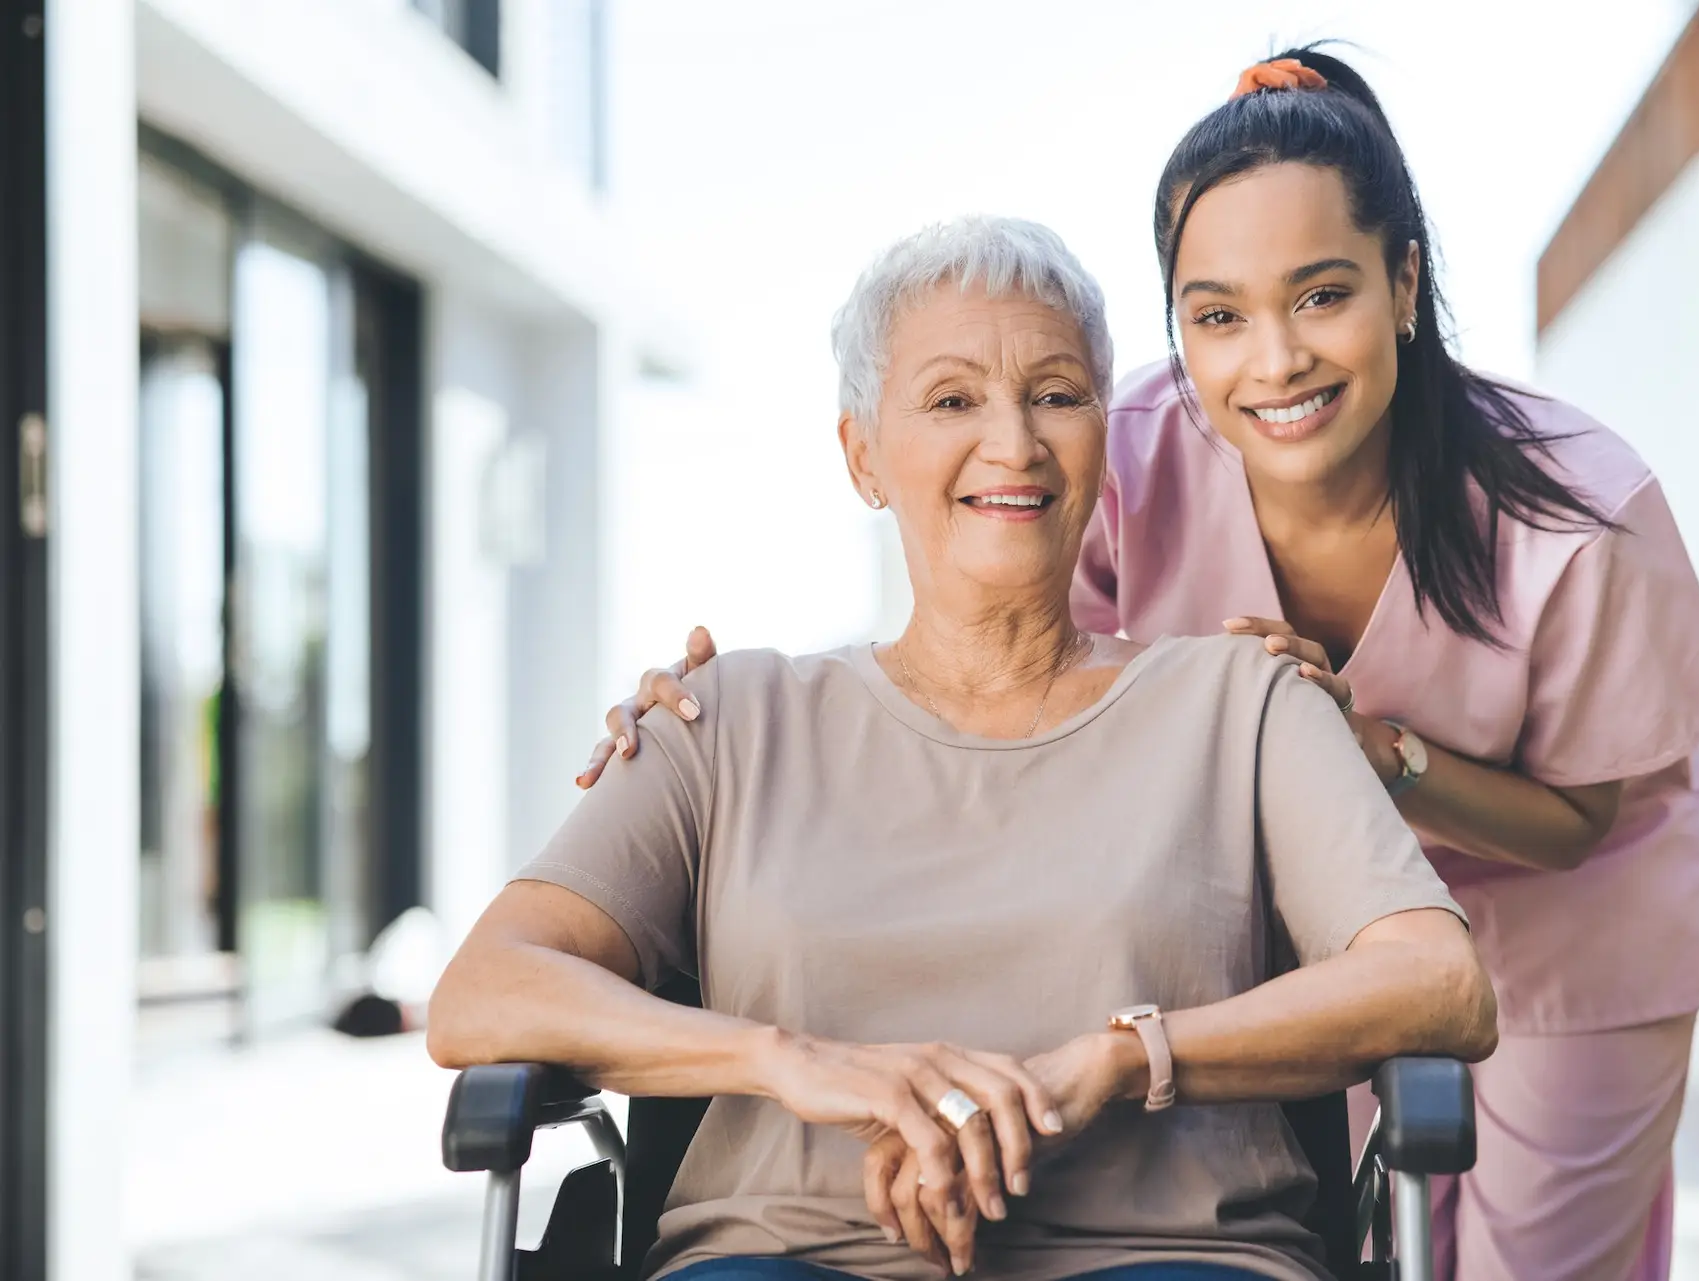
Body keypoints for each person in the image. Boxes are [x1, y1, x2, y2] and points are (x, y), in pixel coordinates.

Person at [582, 50, 1699, 1281]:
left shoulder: (1580, 509)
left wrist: (1377, 754)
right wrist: (726, 720)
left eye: (1321, 295)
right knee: (1366, 1229)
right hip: (1319, 922)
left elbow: (1575, 823)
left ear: (1405, 283)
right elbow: (1016, 675)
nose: (1274, 360)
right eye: (1219, 315)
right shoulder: (1120, 444)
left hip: (1564, 910)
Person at [432, 215, 1498, 1281]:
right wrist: (791, 1062)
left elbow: (1440, 982)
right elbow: (487, 987)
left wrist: (1121, 1061)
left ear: (1104, 439)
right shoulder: (727, 719)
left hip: (1169, 1254)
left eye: (1057, 395)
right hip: (787, 1256)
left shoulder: (1244, 703)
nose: (1015, 443)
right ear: (863, 456)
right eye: (952, 401)